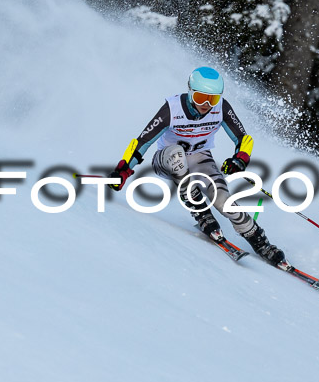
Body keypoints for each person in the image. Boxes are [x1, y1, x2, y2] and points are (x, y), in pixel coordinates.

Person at [108, 66, 285, 265]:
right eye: (201, 98)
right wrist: (122, 170)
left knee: (223, 201)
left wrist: (239, 160)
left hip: (200, 158)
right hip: (166, 159)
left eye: (213, 99)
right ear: (190, 91)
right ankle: (200, 211)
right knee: (177, 156)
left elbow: (244, 139)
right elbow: (142, 142)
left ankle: (260, 242)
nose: (207, 105)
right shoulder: (172, 108)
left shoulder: (221, 108)